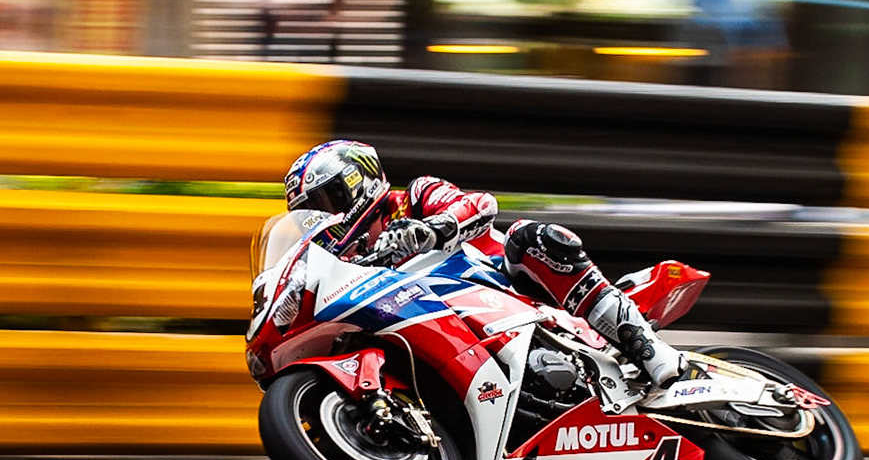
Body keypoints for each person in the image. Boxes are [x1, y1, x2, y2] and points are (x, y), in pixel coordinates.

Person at [283, 139, 687, 392]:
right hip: (447, 330)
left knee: (533, 237)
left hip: (510, 292)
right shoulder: (344, 260)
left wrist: (428, 231)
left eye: (327, 201)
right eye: (312, 213)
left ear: (357, 183)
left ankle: (651, 353)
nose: (324, 216)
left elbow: (481, 204)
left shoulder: (416, 197)